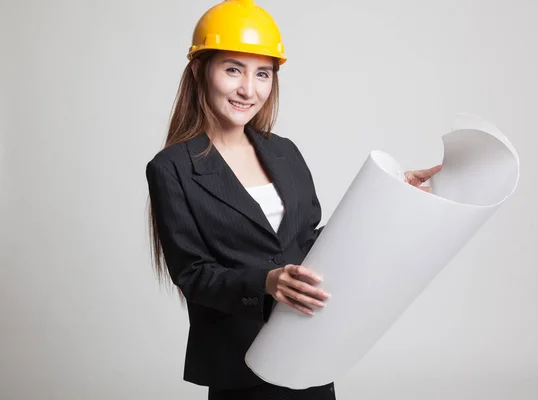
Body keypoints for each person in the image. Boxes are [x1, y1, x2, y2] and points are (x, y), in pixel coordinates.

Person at [145, 1, 442, 398]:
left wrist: (388, 201)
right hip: (241, 362)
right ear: (201, 70)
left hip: (310, 347)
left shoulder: (284, 152)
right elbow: (194, 275)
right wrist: (265, 282)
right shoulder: (172, 168)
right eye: (233, 69)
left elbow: (311, 242)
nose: (248, 89)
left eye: (262, 73)